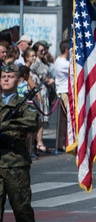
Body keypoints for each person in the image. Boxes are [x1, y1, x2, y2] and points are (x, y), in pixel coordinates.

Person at [0, 62, 39, 222]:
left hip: (16, 164)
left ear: (18, 80)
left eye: (10, 77)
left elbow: (32, 122)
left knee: (22, 209)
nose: (6, 80)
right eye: (3, 77)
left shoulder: (23, 104)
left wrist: (6, 124)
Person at [30, 42, 55, 153]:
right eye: (41, 50)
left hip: (46, 92)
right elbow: (35, 74)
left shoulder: (44, 62)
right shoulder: (35, 63)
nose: (43, 52)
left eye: (44, 50)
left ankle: (39, 141)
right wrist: (46, 79)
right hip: (39, 92)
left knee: (42, 120)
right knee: (39, 119)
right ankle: (38, 142)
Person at [53, 40, 70, 152]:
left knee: (64, 120)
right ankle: (64, 143)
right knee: (68, 120)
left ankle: (62, 143)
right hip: (65, 93)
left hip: (63, 92)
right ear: (67, 50)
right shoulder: (63, 63)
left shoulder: (59, 60)